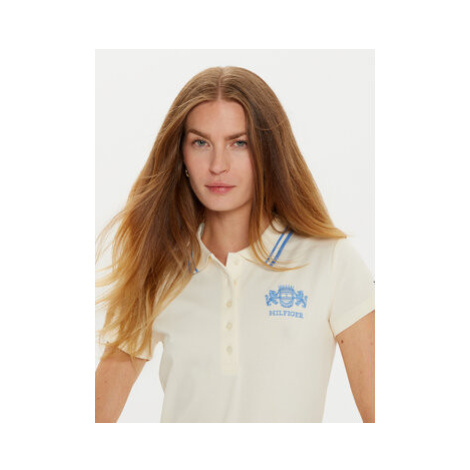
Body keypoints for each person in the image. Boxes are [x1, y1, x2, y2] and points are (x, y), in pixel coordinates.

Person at [95, 66, 375, 423]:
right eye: (201, 143)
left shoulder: (331, 261)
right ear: (181, 155)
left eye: (239, 143)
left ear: (268, 152)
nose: (217, 165)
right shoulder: (158, 268)